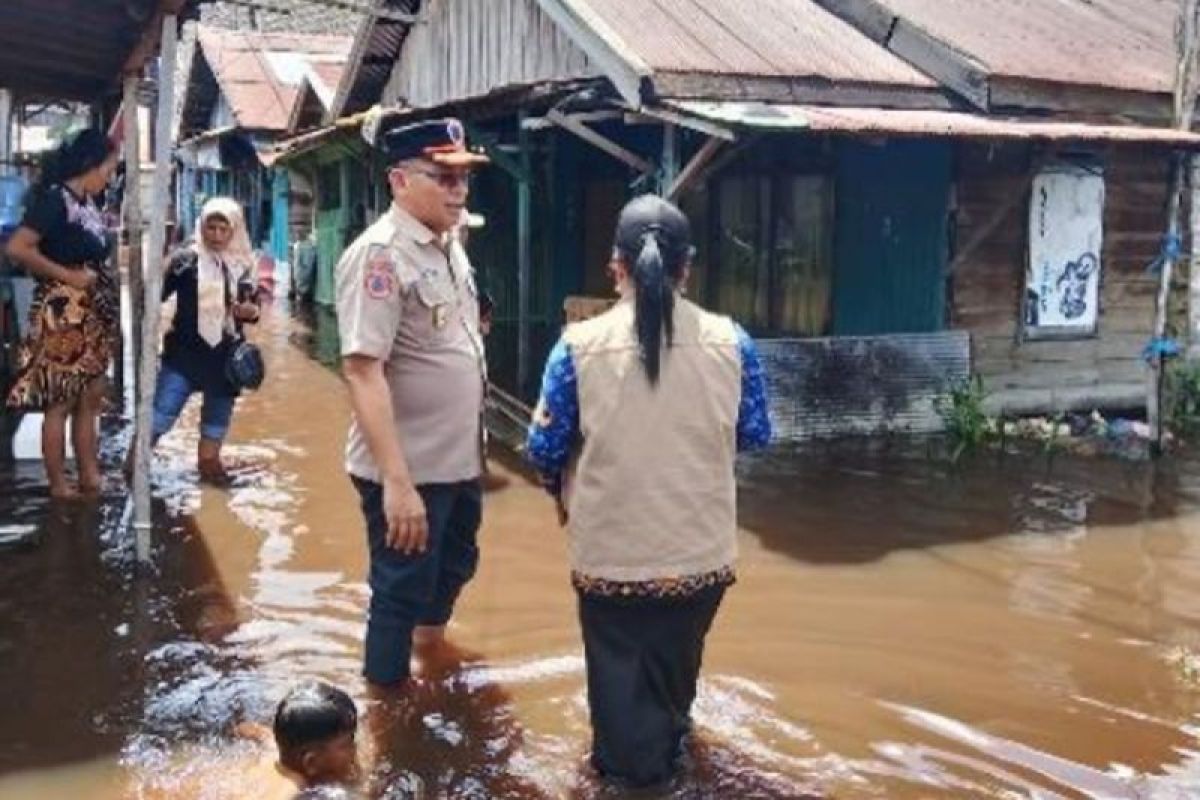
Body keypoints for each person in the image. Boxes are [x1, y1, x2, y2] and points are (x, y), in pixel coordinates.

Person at [525, 194, 772, 788]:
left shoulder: (576, 349)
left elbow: (543, 451)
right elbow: (755, 434)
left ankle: (630, 777)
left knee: (616, 694)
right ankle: (669, 755)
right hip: (701, 561)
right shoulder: (733, 342)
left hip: (612, 562)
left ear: (615, 267)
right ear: (687, 268)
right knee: (672, 678)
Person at [335, 118, 490, 688]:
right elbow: (361, 371)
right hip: (408, 468)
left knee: (454, 566)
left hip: (457, 459)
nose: (458, 190)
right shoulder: (380, 256)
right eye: (443, 176)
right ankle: (389, 719)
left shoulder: (448, 246)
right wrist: (397, 484)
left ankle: (431, 654)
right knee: (399, 593)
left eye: (463, 177)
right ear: (400, 181)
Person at [4, 129, 120, 498]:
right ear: (91, 164)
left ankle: (90, 476)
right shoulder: (56, 200)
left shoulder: (87, 202)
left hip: (91, 313)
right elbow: (17, 248)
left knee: (91, 395)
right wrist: (68, 275)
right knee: (61, 401)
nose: (110, 175)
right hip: (63, 312)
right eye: (109, 167)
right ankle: (58, 484)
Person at [147, 197, 261, 481]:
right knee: (159, 419)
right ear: (202, 226)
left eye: (225, 229)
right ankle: (132, 471)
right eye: (212, 227)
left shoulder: (243, 265)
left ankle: (210, 473)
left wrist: (248, 311)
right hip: (184, 354)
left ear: (235, 230)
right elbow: (154, 297)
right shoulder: (185, 261)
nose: (217, 235)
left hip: (224, 360)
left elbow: (254, 310)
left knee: (214, 429)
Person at [234, 681, 360, 800]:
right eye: (347, 744)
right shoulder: (298, 794)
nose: (355, 747)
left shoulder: (273, 757)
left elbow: (253, 731)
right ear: (311, 763)